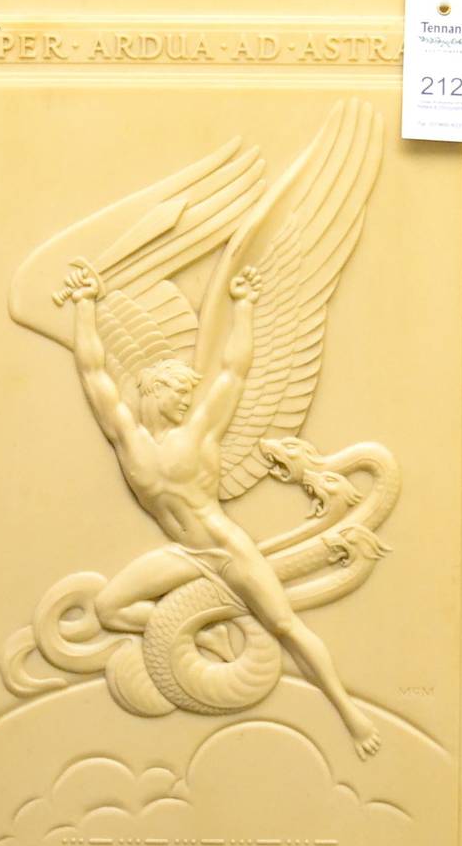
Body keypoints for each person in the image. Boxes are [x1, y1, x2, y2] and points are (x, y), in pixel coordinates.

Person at [61, 262, 380, 759]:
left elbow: (234, 372)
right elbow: (93, 372)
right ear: (155, 390)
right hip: (184, 555)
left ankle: (348, 712)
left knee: (285, 627)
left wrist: (244, 307)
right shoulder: (127, 437)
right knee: (108, 608)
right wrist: (85, 305)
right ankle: (198, 629)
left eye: (190, 394)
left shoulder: (200, 432)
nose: (186, 401)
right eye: (179, 393)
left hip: (226, 549)